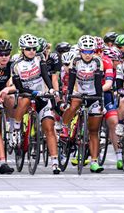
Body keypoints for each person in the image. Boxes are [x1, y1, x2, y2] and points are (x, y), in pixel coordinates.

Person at [11, 34, 60, 174]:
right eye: (28, 49)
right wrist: (32, 92)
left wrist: (51, 89)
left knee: (49, 128)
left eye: (34, 48)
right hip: (26, 94)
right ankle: (16, 128)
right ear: (22, 49)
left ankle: (55, 163)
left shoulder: (40, 58)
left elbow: (45, 75)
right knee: (25, 99)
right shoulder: (16, 65)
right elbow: (19, 88)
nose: (32, 51)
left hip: (42, 96)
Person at [62, 35, 105, 173]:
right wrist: (69, 96)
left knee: (93, 131)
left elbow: (99, 82)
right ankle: (64, 127)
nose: (88, 55)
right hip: (78, 92)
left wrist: (100, 99)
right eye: (85, 52)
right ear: (80, 51)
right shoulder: (75, 61)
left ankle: (94, 161)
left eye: (90, 51)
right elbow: (71, 80)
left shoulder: (97, 62)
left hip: (93, 94)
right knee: (74, 105)